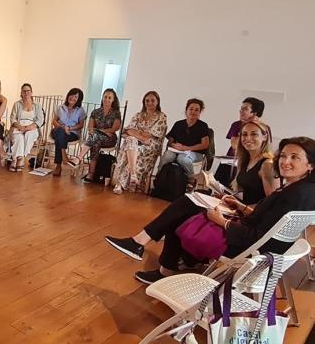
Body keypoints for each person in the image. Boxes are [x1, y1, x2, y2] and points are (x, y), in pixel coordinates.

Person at [105, 136, 315, 284]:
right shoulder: (302, 190)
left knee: (184, 210)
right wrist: (241, 207)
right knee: (189, 202)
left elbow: (257, 235)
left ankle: (150, 254)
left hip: (247, 249)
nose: (285, 161)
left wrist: (222, 221)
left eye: (294, 157)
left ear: (310, 165)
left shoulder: (294, 194)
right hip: (258, 245)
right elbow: (269, 224)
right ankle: (149, 249)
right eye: (284, 156)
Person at [113, 91, 167, 194]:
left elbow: (150, 135)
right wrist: (141, 137)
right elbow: (128, 130)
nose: (149, 103)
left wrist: (137, 133)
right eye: (147, 100)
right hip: (138, 143)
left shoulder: (161, 116)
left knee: (129, 146)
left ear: (157, 102)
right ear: (144, 102)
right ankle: (133, 175)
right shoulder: (138, 115)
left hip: (150, 146)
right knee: (131, 141)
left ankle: (120, 184)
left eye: (152, 100)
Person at [216, 97, 270, 185]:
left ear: (254, 113)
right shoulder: (236, 124)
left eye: (245, 109)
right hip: (231, 160)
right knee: (218, 183)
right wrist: (245, 126)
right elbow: (234, 144)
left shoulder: (264, 128)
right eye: (241, 109)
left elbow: (265, 147)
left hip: (250, 162)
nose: (241, 111)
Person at [156, 98, 210, 184]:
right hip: (177, 150)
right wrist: (175, 146)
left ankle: (191, 179)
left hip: (194, 152)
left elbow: (205, 144)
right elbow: (170, 142)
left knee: (182, 159)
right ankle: (159, 177)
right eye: (191, 109)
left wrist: (187, 148)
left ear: (200, 112)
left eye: (196, 110)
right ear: (186, 110)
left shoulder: (203, 126)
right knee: (167, 156)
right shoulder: (178, 124)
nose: (193, 112)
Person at [73, 88, 122, 183]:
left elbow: (114, 129)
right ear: (102, 98)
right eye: (105, 97)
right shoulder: (95, 112)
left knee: (94, 138)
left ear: (113, 100)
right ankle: (91, 173)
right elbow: (90, 127)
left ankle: (79, 159)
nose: (107, 99)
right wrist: (97, 132)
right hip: (96, 138)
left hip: (110, 139)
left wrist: (100, 131)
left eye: (109, 98)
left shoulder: (116, 113)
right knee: (95, 140)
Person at [229, 120, 277, 204]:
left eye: (254, 134)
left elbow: (271, 203)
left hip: (255, 211)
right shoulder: (245, 160)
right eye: (244, 134)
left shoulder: (267, 164)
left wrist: (241, 207)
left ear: (265, 137)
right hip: (243, 208)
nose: (248, 138)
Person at [8, 83, 44, 172]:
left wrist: (29, 127)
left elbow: (40, 120)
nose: (26, 93)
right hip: (19, 125)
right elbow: (12, 118)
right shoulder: (17, 104)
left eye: (28, 91)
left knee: (28, 135)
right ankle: (18, 159)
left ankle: (18, 158)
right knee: (19, 138)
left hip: (32, 127)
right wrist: (20, 127)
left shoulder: (37, 105)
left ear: (31, 92)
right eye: (24, 91)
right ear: (21, 93)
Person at [50, 88, 86, 177]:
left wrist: (69, 128)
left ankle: (58, 165)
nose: (73, 97)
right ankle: (64, 154)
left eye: (76, 97)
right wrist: (63, 127)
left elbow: (81, 125)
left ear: (79, 99)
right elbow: (54, 121)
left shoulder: (80, 110)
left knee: (59, 137)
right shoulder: (60, 107)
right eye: (71, 95)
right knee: (60, 132)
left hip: (72, 133)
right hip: (58, 130)